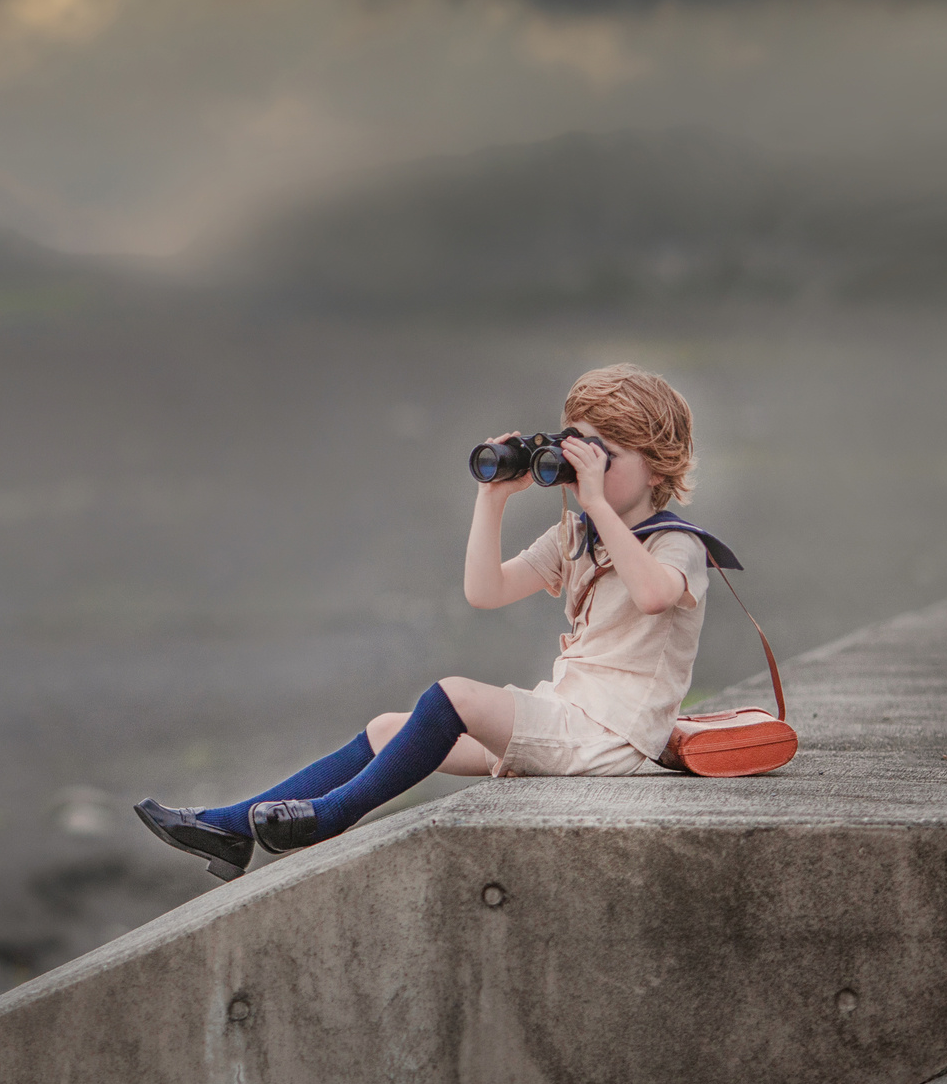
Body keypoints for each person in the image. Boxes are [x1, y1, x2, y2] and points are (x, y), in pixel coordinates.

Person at [135, 363, 714, 880]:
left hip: (613, 738)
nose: (586, 466)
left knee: (451, 696)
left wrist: (596, 505)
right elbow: (484, 591)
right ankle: (230, 829)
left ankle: (328, 818)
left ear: (659, 464)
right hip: (570, 719)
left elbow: (654, 595)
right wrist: (493, 498)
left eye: (605, 453)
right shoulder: (574, 537)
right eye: (579, 449)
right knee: (391, 727)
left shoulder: (676, 544)